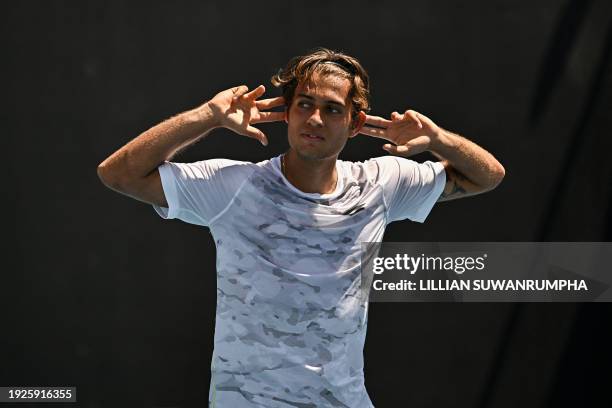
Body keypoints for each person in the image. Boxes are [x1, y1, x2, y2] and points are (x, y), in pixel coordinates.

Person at [97, 47, 504, 408]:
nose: (314, 118)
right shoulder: (235, 188)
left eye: (331, 108)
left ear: (355, 122)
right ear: (287, 113)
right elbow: (118, 174)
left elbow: (487, 176)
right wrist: (206, 117)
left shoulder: (381, 184)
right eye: (304, 104)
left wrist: (438, 139)